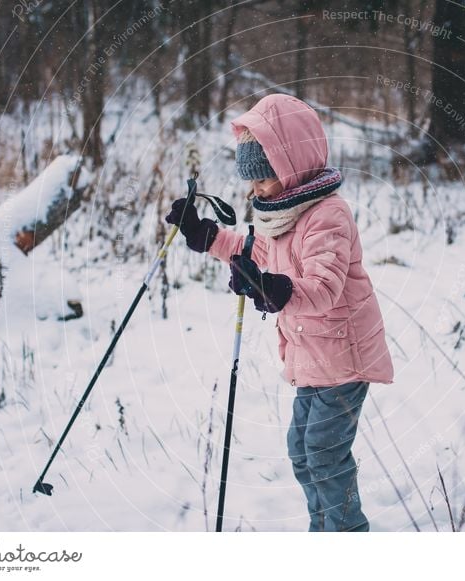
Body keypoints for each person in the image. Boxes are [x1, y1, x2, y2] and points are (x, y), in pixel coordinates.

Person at [165, 93, 394, 532]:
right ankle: (323, 527)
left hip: (344, 357)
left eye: (264, 179)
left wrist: (274, 289)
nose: (255, 190)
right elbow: (253, 248)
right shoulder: (283, 211)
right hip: (313, 357)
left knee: (325, 452)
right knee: (301, 450)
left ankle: (347, 534)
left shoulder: (327, 215)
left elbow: (324, 289)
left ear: (292, 168)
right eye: (251, 181)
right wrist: (205, 235)